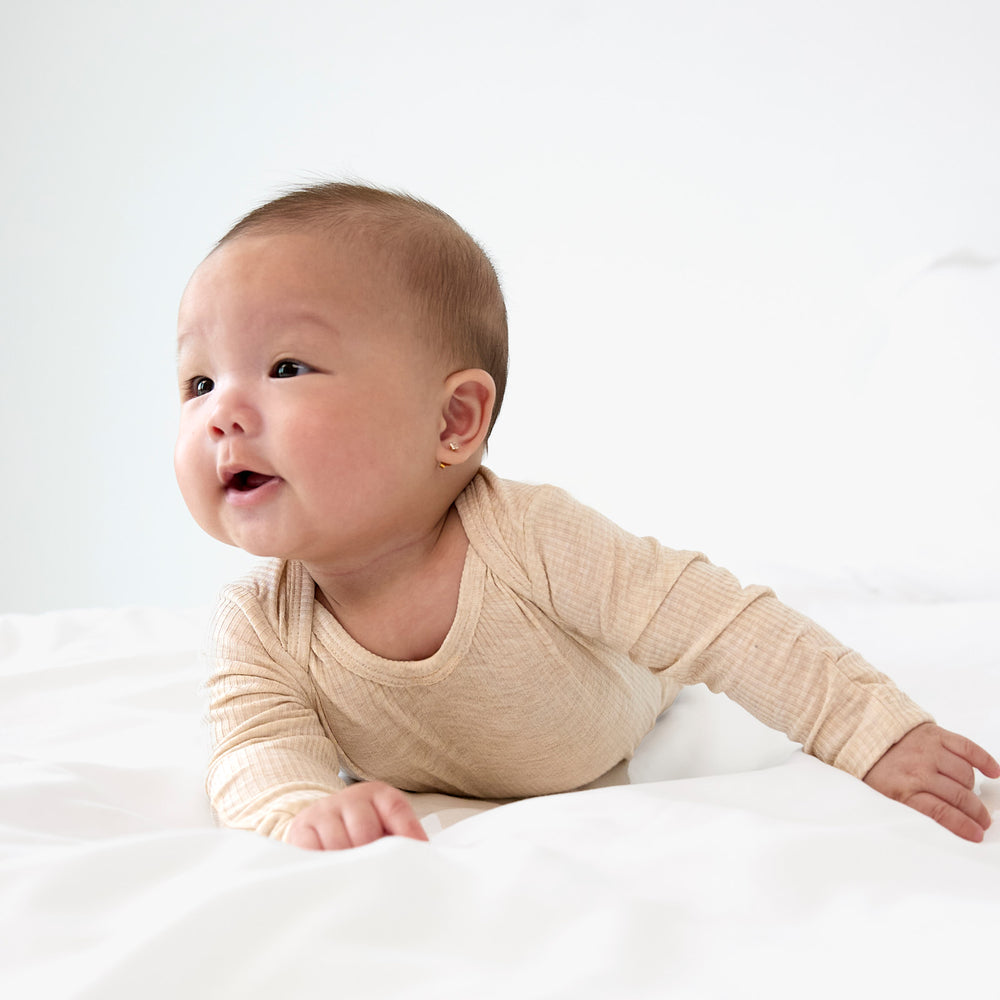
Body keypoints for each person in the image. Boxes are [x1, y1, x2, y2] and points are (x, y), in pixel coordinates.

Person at [174, 181, 999, 851]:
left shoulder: (530, 539)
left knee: (675, 632)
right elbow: (255, 748)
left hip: (620, 693)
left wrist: (875, 734)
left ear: (453, 422)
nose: (221, 414)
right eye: (198, 383)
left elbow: (719, 623)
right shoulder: (259, 623)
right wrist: (301, 814)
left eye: (285, 366)